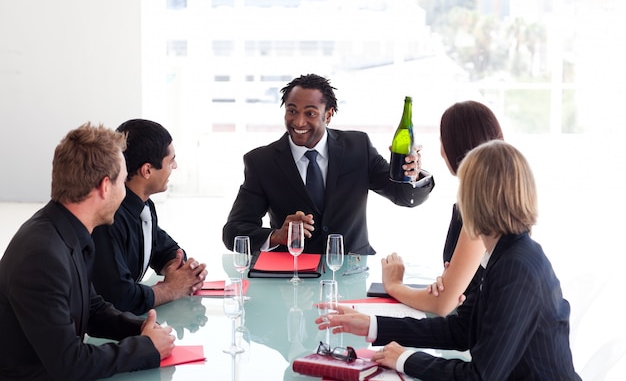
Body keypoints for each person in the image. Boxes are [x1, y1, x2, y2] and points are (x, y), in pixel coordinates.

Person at [316, 140, 581, 381]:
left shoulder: (515, 267)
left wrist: (406, 359)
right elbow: (461, 330)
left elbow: (480, 377)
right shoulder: (507, 254)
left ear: (476, 199)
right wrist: (372, 324)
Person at [0, 123, 174, 380]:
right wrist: (146, 348)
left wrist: (141, 329)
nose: (125, 191)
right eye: (123, 181)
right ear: (106, 187)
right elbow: (70, 364)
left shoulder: (65, 229)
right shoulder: (43, 256)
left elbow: (92, 308)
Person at [222, 73, 434, 255]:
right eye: (292, 110)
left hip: (352, 270)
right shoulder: (262, 162)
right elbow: (233, 232)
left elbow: (405, 197)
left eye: (310, 113)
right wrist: (277, 236)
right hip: (292, 276)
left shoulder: (358, 147)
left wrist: (412, 175)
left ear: (329, 114)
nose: (299, 122)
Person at [381, 101, 503, 316]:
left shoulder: (483, 208)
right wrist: (450, 283)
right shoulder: (495, 194)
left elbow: (442, 305)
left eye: (441, 140)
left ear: (452, 147)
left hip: (478, 333)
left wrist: (394, 285)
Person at [92, 119, 207, 315]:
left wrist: (177, 268)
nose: (175, 166)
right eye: (170, 161)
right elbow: (120, 298)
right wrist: (171, 288)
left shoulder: (143, 205)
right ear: (147, 170)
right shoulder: (108, 218)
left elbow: (163, 248)